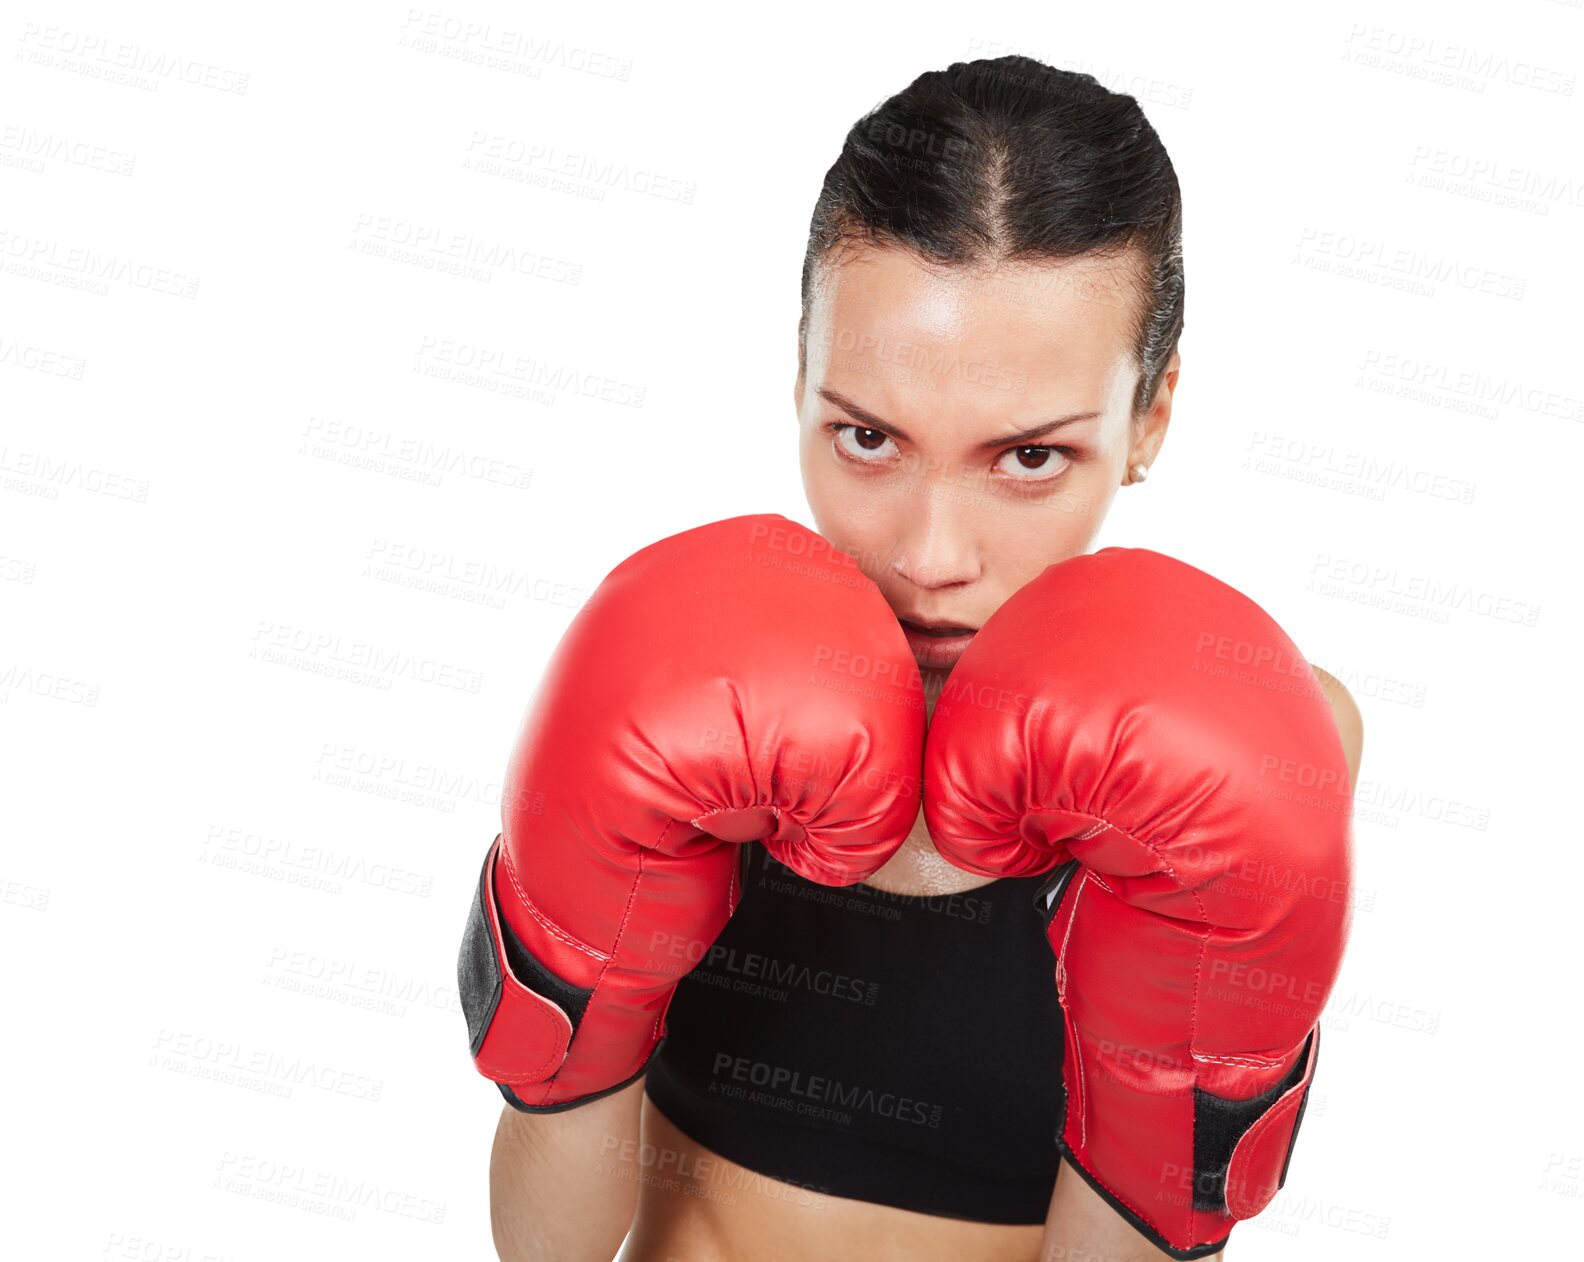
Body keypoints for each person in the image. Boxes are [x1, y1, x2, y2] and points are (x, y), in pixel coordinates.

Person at [464, 54, 1365, 1262]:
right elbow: (546, 1250)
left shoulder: (1272, 737)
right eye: (868, 436)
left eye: (1030, 458)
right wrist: (568, 999)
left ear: (1147, 418)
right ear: (798, 382)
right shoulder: (681, 673)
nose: (935, 555)